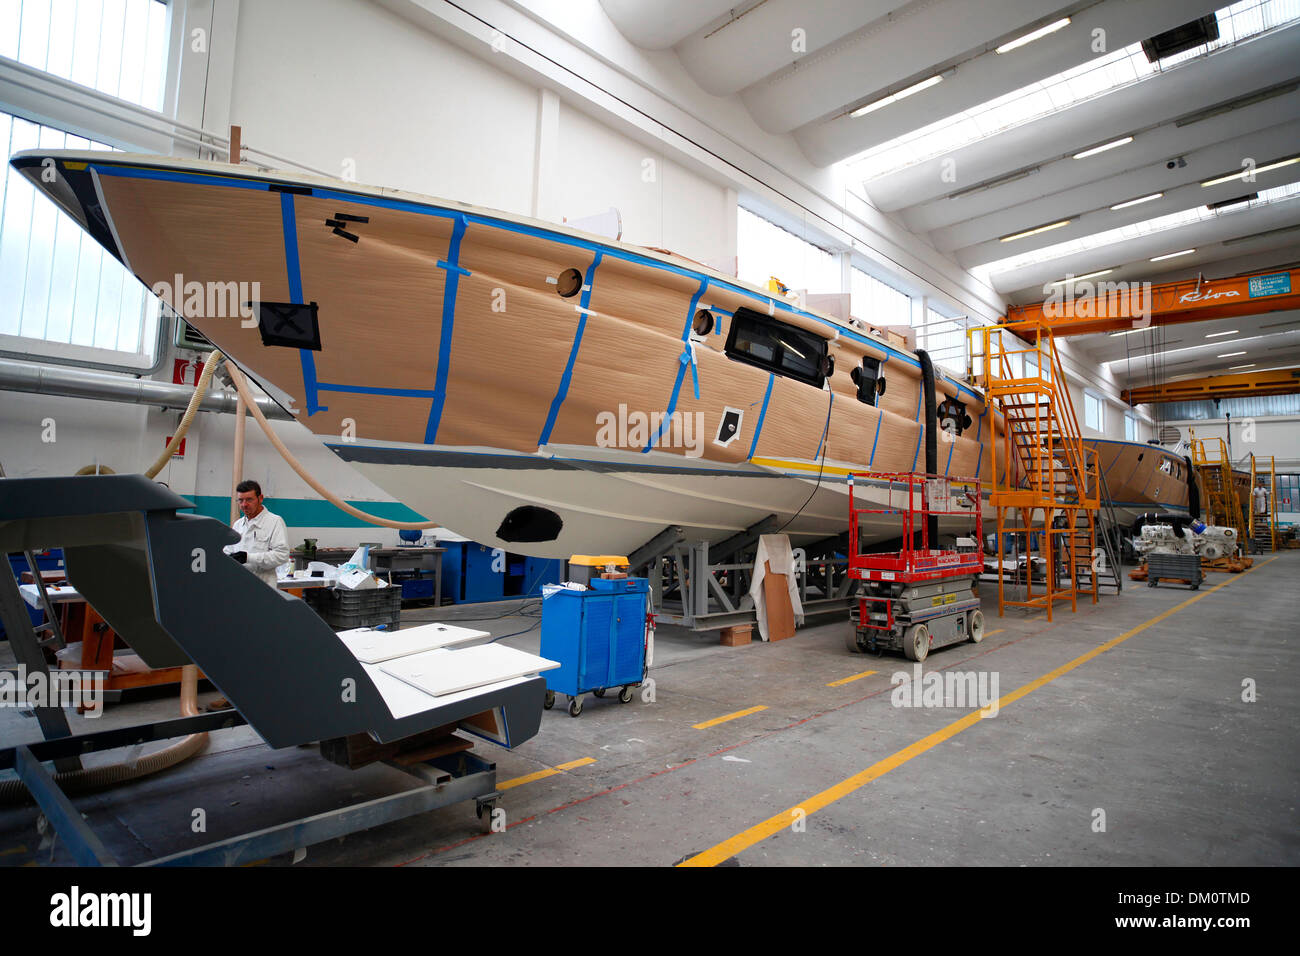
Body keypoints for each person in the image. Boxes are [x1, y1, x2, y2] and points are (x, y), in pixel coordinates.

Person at [209, 480, 290, 711]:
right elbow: (228, 551)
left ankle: (265, 695)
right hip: (239, 594)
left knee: (260, 648)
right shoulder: (238, 524)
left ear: (260, 498)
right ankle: (234, 696)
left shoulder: (274, 522)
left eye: (249, 499)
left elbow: (281, 555)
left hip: (263, 593)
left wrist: (249, 558)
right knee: (237, 647)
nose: (244, 504)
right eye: (241, 500)